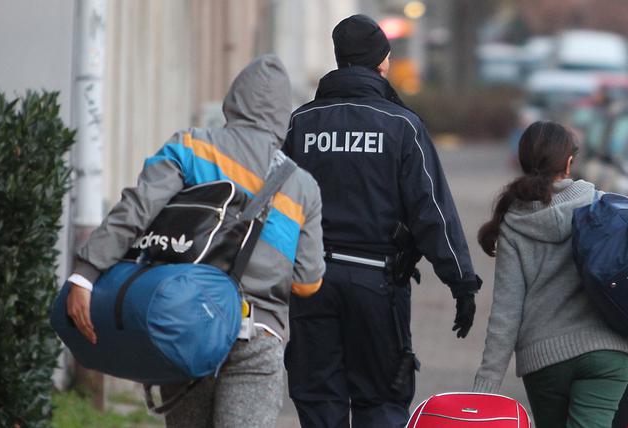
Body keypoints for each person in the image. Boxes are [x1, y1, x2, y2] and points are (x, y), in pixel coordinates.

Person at [63, 55, 326, 427]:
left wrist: (85, 273)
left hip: (186, 324)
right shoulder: (301, 186)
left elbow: (137, 209)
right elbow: (307, 282)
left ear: (233, 100)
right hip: (257, 336)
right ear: (284, 115)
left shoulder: (191, 146)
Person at [281, 14, 482, 428]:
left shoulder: (302, 122)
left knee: (319, 399)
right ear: (381, 62)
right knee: (381, 403)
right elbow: (432, 212)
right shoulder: (400, 125)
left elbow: (280, 204)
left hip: (311, 281)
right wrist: (461, 281)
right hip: (377, 285)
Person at [473, 121, 628, 428]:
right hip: (605, 353)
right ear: (568, 162)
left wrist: (485, 388)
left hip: (545, 361)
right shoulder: (600, 204)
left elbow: (506, 313)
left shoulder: (514, 221)